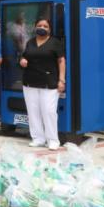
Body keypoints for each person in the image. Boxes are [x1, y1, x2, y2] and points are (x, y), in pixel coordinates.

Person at [19, 17, 65, 150]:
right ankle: (38, 138)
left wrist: (62, 80)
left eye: (45, 26)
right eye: (39, 25)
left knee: (49, 111)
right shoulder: (30, 42)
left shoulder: (55, 43)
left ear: (50, 29)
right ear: (35, 27)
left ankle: (52, 140)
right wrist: (22, 60)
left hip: (49, 83)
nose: (42, 28)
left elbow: (61, 61)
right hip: (30, 82)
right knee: (33, 112)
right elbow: (25, 56)